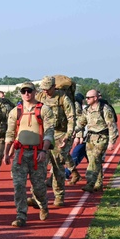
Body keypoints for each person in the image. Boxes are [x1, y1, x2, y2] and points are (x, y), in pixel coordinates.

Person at [4, 83, 54, 227]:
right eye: (23, 91)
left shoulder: (44, 110)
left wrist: (44, 151)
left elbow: (49, 132)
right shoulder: (15, 112)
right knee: (18, 186)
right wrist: (6, 153)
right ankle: (21, 215)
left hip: (38, 153)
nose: (27, 93)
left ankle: (43, 205)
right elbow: (10, 133)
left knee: (38, 187)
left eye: (29, 91)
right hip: (20, 153)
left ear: (35, 92)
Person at [36, 75, 77, 206]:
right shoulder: (40, 97)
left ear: (54, 87)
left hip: (60, 134)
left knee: (57, 166)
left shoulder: (62, 98)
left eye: (48, 89)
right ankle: (38, 196)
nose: (45, 91)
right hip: (44, 134)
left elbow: (71, 117)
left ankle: (59, 196)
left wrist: (68, 136)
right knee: (40, 167)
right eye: (43, 89)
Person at [74, 90, 118, 192]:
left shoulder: (105, 109)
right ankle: (98, 183)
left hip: (102, 138)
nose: (87, 99)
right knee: (94, 161)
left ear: (95, 98)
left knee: (94, 159)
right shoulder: (87, 110)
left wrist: (111, 142)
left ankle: (90, 183)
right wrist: (73, 133)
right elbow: (80, 123)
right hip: (90, 138)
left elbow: (112, 126)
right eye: (86, 97)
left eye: (89, 97)